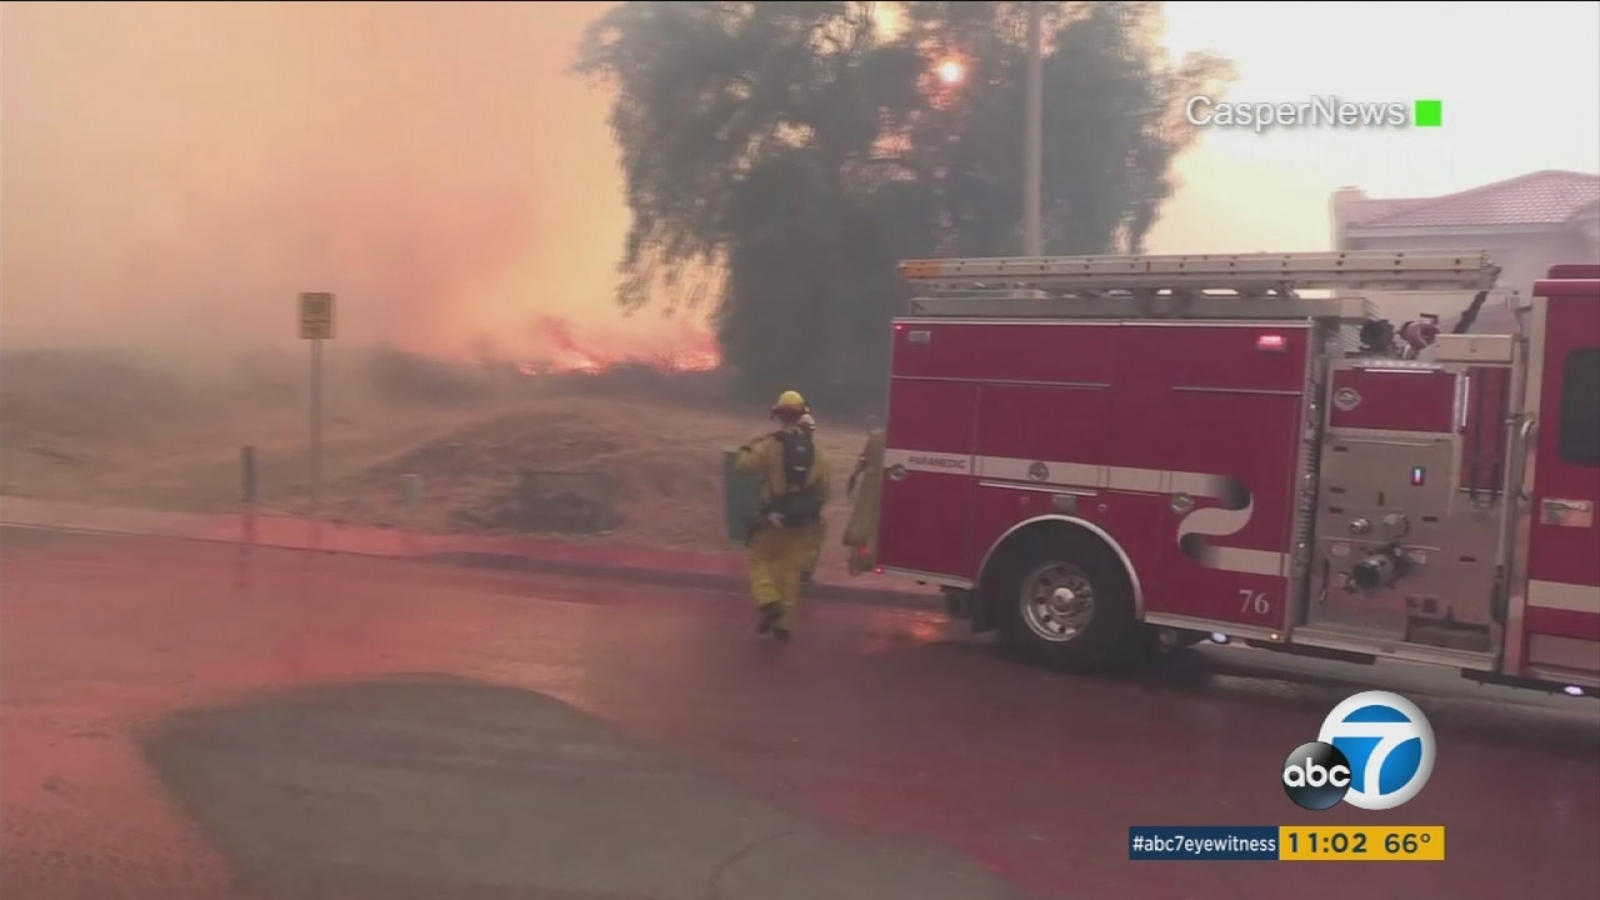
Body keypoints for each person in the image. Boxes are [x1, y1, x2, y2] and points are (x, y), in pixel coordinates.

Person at [735, 391, 831, 641]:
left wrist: (747, 445)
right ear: (802, 415)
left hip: (772, 518)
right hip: (801, 522)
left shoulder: (769, 445)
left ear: (777, 414)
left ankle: (769, 602)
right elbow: (825, 489)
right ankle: (784, 624)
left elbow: (743, 467)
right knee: (791, 570)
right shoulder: (817, 451)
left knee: (759, 559)